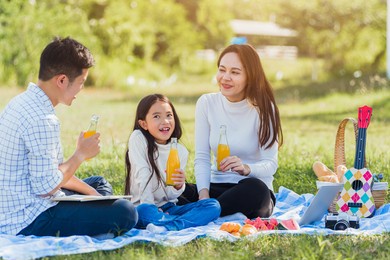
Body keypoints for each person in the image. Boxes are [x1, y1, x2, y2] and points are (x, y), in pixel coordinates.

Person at [0, 37, 137, 237]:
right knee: (126, 212)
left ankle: (95, 213)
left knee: (98, 184)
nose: (81, 89)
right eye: (81, 82)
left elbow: (51, 174)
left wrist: (93, 195)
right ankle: (98, 222)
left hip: (20, 201)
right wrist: (80, 155)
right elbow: (46, 187)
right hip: (28, 218)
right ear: (62, 80)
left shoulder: (20, 102)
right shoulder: (43, 119)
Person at [180, 44, 283, 219]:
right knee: (174, 190)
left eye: (235, 72)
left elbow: (270, 164)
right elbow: (203, 157)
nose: (225, 77)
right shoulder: (206, 103)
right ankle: (207, 209)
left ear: (250, 77)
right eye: (222, 70)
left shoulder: (265, 109)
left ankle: (199, 212)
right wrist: (203, 194)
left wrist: (246, 168)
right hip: (216, 188)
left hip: (250, 190)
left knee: (257, 191)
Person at [124, 94, 221, 233]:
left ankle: (168, 226)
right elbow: (143, 174)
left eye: (169, 115)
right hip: (143, 206)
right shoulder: (138, 139)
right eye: (156, 116)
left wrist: (177, 186)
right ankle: (175, 222)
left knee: (213, 205)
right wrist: (152, 208)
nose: (165, 121)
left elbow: (170, 196)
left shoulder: (180, 151)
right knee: (145, 211)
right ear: (143, 124)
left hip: (169, 208)